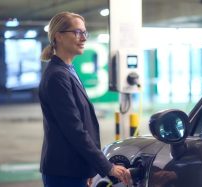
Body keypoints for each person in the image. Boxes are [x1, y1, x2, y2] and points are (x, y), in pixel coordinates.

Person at [38, 11, 131, 187]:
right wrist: (107, 167)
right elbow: (74, 129)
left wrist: (89, 169)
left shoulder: (67, 70)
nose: (83, 38)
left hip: (74, 169)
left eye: (84, 33)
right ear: (58, 36)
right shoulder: (57, 76)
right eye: (77, 32)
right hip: (64, 172)